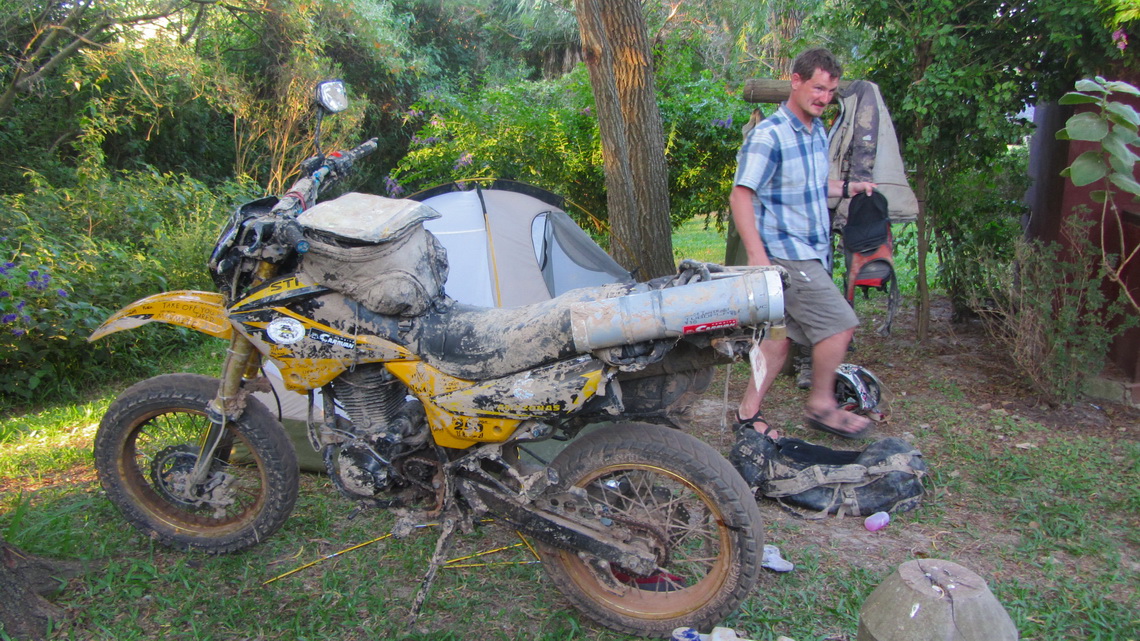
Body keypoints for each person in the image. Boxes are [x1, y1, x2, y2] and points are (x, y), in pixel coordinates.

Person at [729, 47, 875, 440]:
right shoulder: (769, 136)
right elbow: (741, 194)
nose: (824, 97)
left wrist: (849, 187)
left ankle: (746, 415)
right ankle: (821, 405)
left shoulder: (815, 133)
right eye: (817, 87)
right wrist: (759, 257)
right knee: (839, 327)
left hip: (812, 252)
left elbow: (809, 187)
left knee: (779, 341)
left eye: (830, 91)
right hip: (787, 258)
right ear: (795, 81)